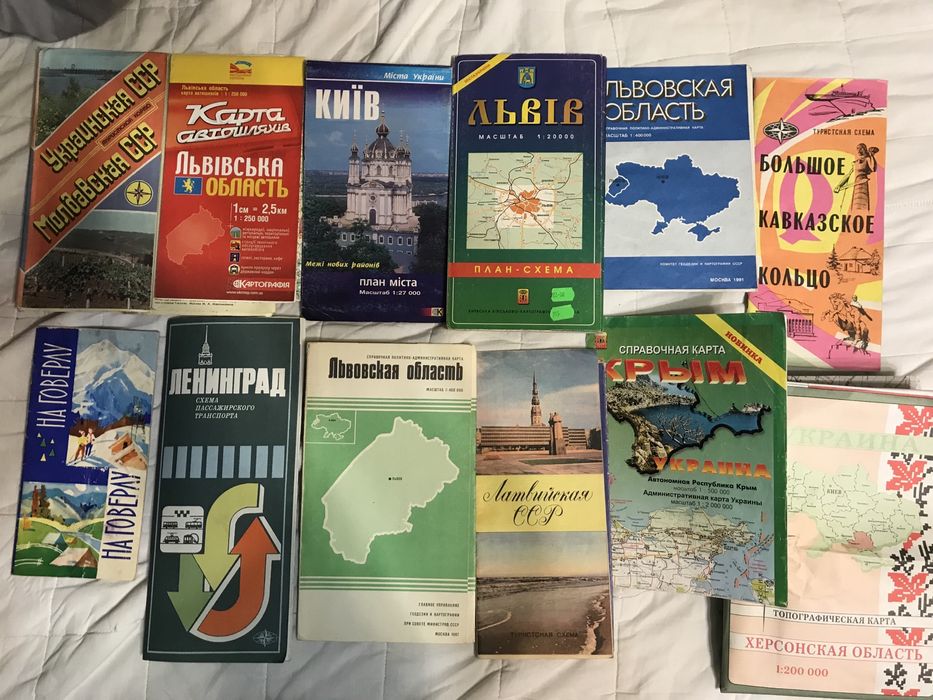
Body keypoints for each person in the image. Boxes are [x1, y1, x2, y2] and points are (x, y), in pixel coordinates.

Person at [835, 143, 879, 211]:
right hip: (854, 185)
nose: (859, 150)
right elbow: (848, 175)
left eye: (861, 148)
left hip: (863, 184)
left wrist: (871, 155)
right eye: (857, 148)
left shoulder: (867, 159)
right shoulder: (855, 162)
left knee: (862, 204)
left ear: (864, 149)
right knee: (855, 205)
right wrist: (839, 185)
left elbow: (873, 168)